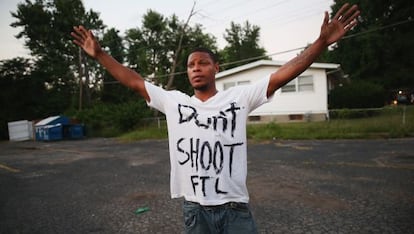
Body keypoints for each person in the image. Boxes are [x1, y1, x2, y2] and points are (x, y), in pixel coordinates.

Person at [71, 3, 359, 233]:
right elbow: (134, 81)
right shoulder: (175, 102)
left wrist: (321, 42)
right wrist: (100, 55)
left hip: (234, 209)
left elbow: (286, 72)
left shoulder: (238, 98)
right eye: (191, 65)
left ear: (216, 68)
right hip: (195, 211)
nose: (196, 68)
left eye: (203, 63)